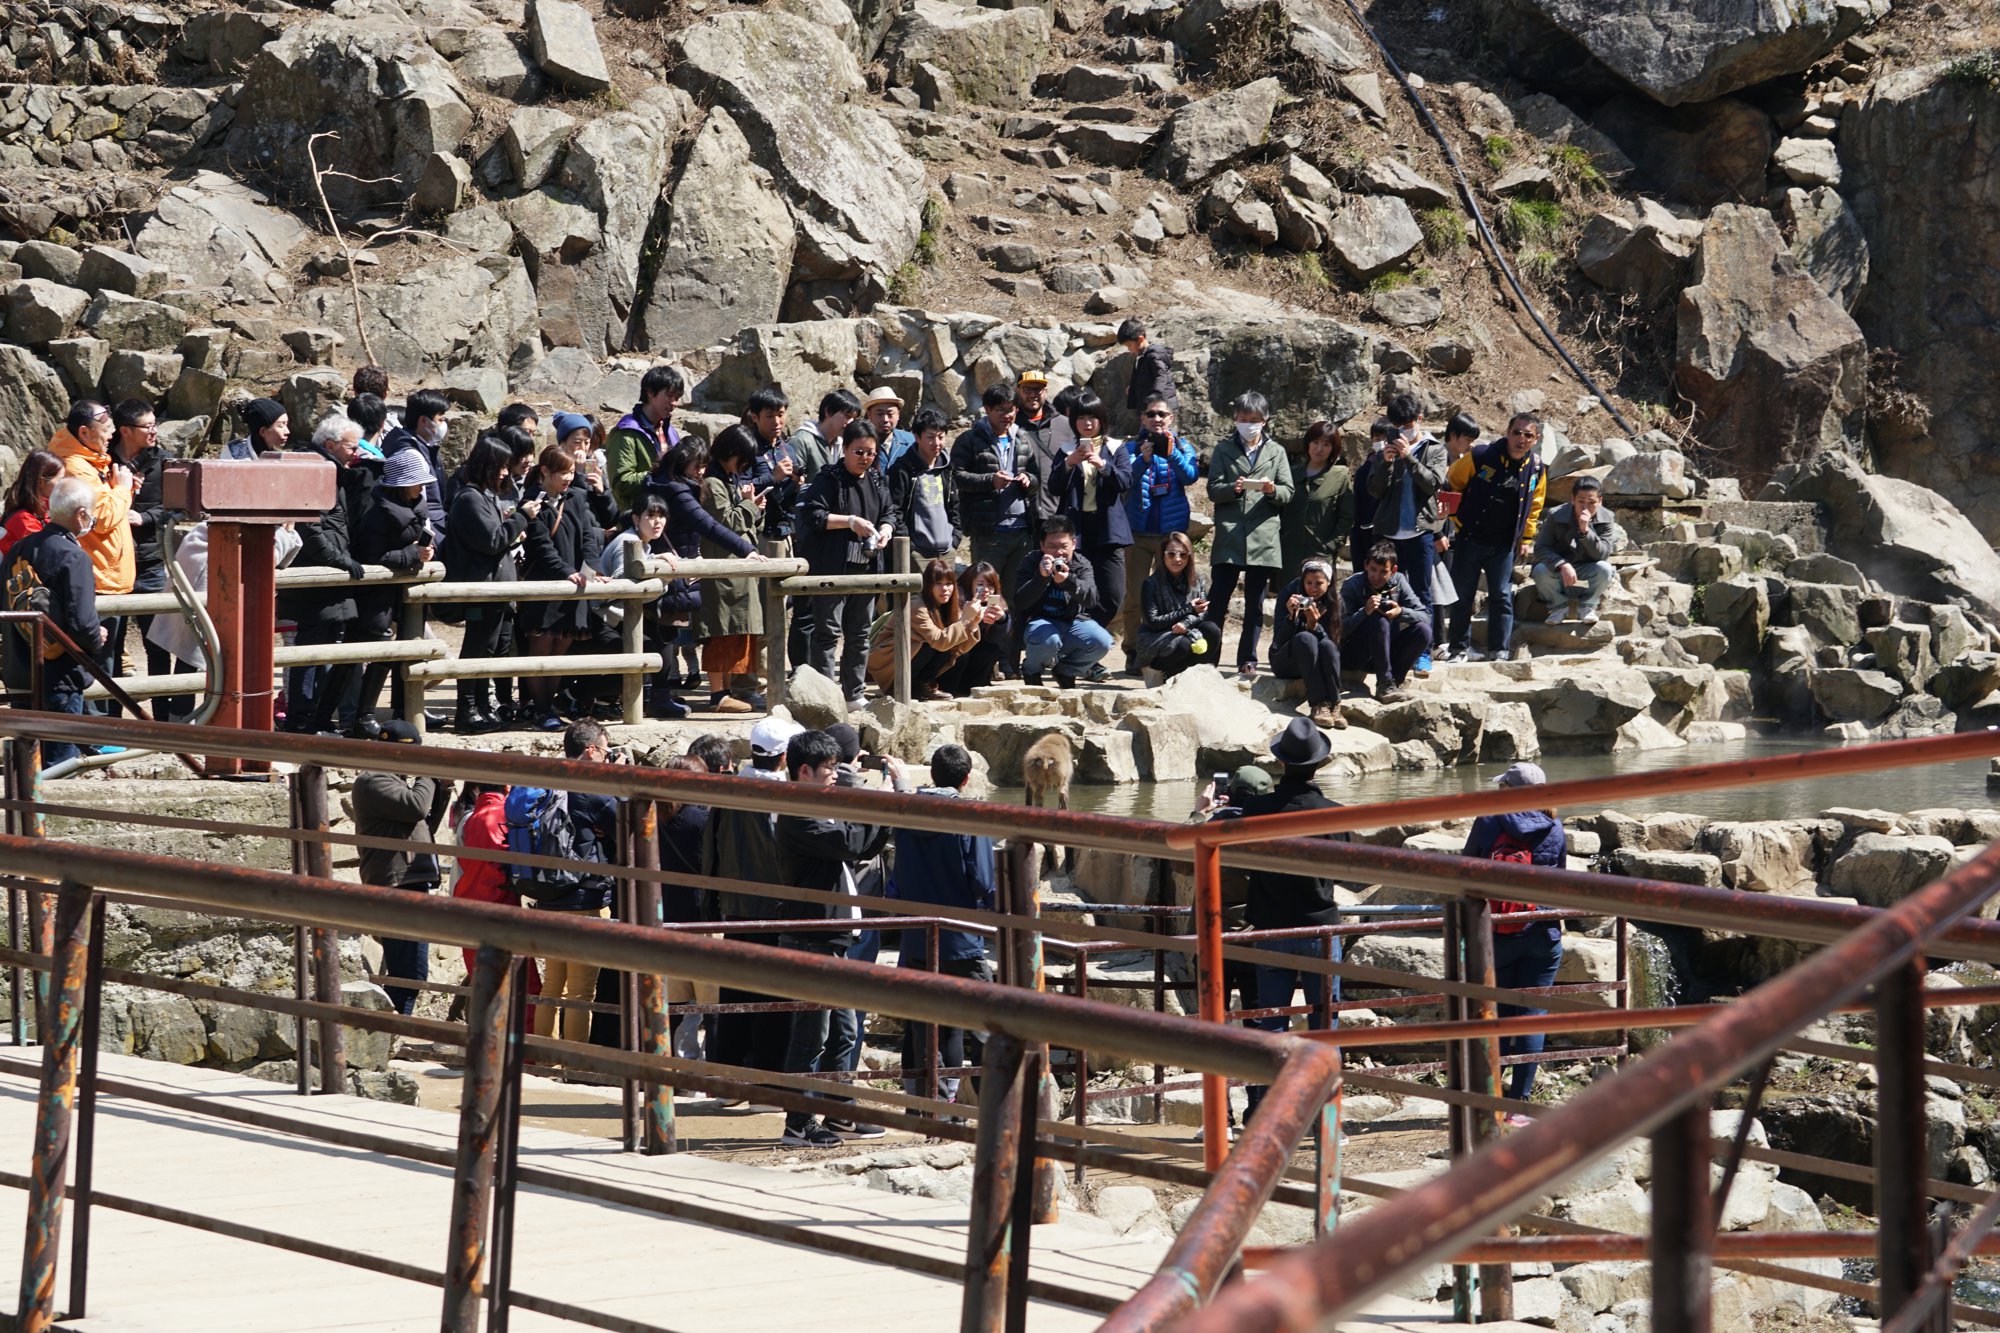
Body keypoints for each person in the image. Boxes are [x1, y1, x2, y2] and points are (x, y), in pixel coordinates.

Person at [774, 728, 897, 1147]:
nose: (835, 774)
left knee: (844, 1032)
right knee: (811, 1035)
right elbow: (849, 843)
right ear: (804, 770)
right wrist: (882, 801)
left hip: (835, 936)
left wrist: (884, 808)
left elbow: (861, 844)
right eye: (828, 768)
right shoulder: (797, 813)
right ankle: (798, 1123)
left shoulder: (818, 805)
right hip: (813, 937)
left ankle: (838, 1113)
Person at [1230, 717, 1347, 1120]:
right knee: (1324, 1024)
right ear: (1320, 763)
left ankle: (1269, 1116)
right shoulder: (1334, 813)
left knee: (1271, 1027)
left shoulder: (1258, 809)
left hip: (1272, 928)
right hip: (1321, 927)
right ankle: (1325, 1117)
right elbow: (1350, 873)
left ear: (1279, 763)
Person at [890, 743, 994, 1104]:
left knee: (921, 1021)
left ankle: (922, 1100)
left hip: (916, 937)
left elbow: (896, 879)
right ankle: (989, 1103)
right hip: (960, 936)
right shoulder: (969, 817)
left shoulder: (906, 815)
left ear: (932, 775)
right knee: (984, 1020)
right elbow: (983, 879)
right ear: (966, 780)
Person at [1462, 761, 1567, 1118]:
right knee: (1532, 1015)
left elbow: (1467, 867)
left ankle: (1491, 1095)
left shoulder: (1489, 822)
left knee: (1497, 1013)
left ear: (1508, 790)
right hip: (1543, 930)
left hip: (1498, 931)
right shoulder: (1554, 825)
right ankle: (1519, 1106)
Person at [701, 715, 801, 1081]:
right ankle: (767, 1079)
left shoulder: (730, 789)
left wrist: (710, 901)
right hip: (773, 910)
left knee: (735, 996)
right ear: (785, 756)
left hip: (734, 906)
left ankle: (729, 1077)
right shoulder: (781, 796)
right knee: (773, 1001)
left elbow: (711, 848)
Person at [530, 721, 622, 1046]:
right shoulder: (592, 787)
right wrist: (618, 778)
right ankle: (574, 1063)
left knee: (552, 986)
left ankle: (546, 1059)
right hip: (585, 900)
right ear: (591, 750)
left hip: (549, 894)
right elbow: (627, 824)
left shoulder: (549, 781)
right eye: (607, 752)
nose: (608, 759)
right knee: (581, 992)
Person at [353, 719, 451, 1015]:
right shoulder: (374, 780)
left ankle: (390, 1031)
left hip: (410, 881)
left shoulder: (394, 779)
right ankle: (392, 1030)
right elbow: (416, 807)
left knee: (408, 970)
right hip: (397, 884)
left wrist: (440, 789)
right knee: (409, 972)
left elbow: (423, 823)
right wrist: (427, 774)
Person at [281, 414, 369, 737]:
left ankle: (314, 719)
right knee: (310, 652)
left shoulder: (334, 472)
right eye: (351, 446)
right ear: (330, 445)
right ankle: (301, 720)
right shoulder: (316, 472)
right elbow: (311, 528)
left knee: (325, 651)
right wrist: (340, 561)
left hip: (328, 579)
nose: (355, 453)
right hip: (315, 580)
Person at [6, 478, 103, 767]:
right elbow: (83, 623)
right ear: (81, 514)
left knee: (26, 766)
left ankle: (23, 812)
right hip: (59, 677)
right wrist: (97, 638)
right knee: (60, 766)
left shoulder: (18, 549)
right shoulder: (74, 558)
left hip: (19, 671)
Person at [797, 421, 894, 709]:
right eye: (859, 451)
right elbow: (813, 516)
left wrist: (886, 529)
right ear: (845, 449)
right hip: (832, 566)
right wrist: (849, 522)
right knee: (827, 632)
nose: (865, 458)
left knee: (860, 633)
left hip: (866, 568)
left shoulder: (877, 480)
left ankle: (854, 693)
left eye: (870, 452)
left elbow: (890, 511)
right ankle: (825, 694)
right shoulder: (829, 478)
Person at [1442, 413, 1547, 662]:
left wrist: (1526, 539)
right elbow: (1452, 482)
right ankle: (1458, 649)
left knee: (1501, 596)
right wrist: (1457, 520)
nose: (1521, 438)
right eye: (1517, 432)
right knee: (1463, 595)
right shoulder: (1480, 456)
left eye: (1528, 435)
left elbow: (1535, 506)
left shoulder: (1537, 468)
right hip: (1470, 538)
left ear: (1536, 439)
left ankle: (1499, 650)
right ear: (1507, 432)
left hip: (1504, 544)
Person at [517, 444, 608, 728]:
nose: (569, 478)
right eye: (563, 473)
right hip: (544, 587)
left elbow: (587, 539)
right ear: (545, 471)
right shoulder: (532, 502)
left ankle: (549, 707)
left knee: (559, 652)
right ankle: (541, 709)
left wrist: (590, 571)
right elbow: (541, 548)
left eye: (571, 472)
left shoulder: (576, 499)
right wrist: (567, 572)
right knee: (540, 650)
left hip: (575, 587)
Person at [442, 435, 529, 733]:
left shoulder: (483, 496)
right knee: (477, 649)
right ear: (487, 465)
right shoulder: (469, 499)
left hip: (494, 590)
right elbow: (492, 541)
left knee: (490, 650)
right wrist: (521, 519)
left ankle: (481, 707)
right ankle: (466, 711)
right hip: (481, 591)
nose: (506, 473)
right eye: (501, 467)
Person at [350, 445, 439, 733]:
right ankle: (363, 715)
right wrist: (413, 555)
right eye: (417, 482)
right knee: (383, 653)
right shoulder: (377, 514)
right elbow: (371, 556)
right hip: (378, 596)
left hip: (405, 593)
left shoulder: (415, 506)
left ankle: (407, 709)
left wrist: (424, 551)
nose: (422, 487)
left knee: (408, 648)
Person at [1205, 392, 1292, 681]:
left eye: (1254, 420)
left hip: (1262, 537)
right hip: (1230, 535)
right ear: (1235, 419)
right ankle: (1209, 658)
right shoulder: (1223, 449)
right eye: (1243, 420)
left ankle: (1247, 661)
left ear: (1265, 420)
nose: (1248, 425)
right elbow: (1213, 489)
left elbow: (1287, 492)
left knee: (1254, 605)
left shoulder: (1276, 452)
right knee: (1217, 601)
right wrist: (1235, 488)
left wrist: (1271, 490)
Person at [48, 400, 136, 687]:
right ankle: (97, 729)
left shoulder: (91, 461)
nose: (112, 435)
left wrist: (118, 489)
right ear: (84, 433)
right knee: (97, 670)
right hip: (99, 578)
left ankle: (109, 727)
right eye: (106, 429)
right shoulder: (76, 467)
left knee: (107, 667)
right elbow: (102, 517)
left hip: (109, 577)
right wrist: (122, 490)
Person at [1046, 391, 1131, 672]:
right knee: (1077, 593)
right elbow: (1054, 488)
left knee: (1113, 595)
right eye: (1081, 417)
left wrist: (1103, 465)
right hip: (1078, 533)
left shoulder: (1117, 448)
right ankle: (1085, 656)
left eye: (1092, 417)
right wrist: (1069, 463)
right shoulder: (1067, 449)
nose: (1087, 423)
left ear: (1101, 419)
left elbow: (1124, 482)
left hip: (1108, 532)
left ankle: (1084, 646)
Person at [597, 492, 695, 719]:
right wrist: (656, 564)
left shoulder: (644, 544)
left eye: (662, 516)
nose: (657, 521)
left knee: (659, 638)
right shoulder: (628, 542)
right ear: (635, 518)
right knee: (647, 652)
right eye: (650, 516)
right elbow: (623, 578)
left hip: (618, 616)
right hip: (604, 618)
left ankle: (652, 699)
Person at [953, 382, 1037, 643]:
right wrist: (989, 480)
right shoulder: (969, 440)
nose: (1007, 415)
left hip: (1021, 530)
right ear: (987, 410)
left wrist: (1028, 481)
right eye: (1000, 410)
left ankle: (1007, 659)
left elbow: (1037, 476)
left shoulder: (1023, 438)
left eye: (1011, 409)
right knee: (985, 597)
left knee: (1014, 598)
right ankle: (983, 656)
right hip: (989, 531)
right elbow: (956, 476)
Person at [691, 432, 768, 714]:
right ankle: (717, 695)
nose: (745, 465)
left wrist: (751, 505)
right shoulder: (712, 483)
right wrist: (750, 505)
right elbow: (728, 521)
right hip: (722, 572)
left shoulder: (725, 480)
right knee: (720, 631)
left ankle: (725, 692)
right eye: (742, 458)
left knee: (733, 631)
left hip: (737, 572)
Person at [1117, 396, 1199, 659]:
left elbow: (1190, 476)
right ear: (1142, 418)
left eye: (1162, 414)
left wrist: (1171, 452)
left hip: (1171, 536)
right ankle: (1133, 650)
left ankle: (1164, 650)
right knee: (1135, 597)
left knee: (1171, 596)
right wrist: (1143, 458)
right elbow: (1124, 480)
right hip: (1137, 532)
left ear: (1170, 418)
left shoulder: (1183, 446)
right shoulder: (1130, 447)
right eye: (1151, 414)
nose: (1156, 419)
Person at [1365, 395, 1447, 636]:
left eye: (1407, 426)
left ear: (1419, 419)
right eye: (1397, 427)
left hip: (1420, 531)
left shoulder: (1434, 449)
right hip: (1388, 533)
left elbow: (1432, 484)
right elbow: (1375, 490)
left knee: (1421, 591)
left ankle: (1422, 648)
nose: (1402, 432)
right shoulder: (1383, 451)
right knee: (1383, 590)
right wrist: (1387, 463)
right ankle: (1384, 644)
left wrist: (1408, 457)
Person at [867, 557, 989, 699]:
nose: (945, 589)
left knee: (954, 644)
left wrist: (973, 625)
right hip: (890, 667)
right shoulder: (916, 605)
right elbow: (939, 641)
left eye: (949, 584)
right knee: (929, 643)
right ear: (928, 585)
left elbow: (959, 649)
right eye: (938, 583)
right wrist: (965, 619)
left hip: (913, 662)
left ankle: (922, 685)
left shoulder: (950, 606)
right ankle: (907, 687)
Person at [1013, 514, 1110, 688]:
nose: (1058, 552)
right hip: (1039, 622)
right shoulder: (1031, 561)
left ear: (1074, 543)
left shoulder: (1081, 564)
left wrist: (1068, 582)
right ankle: (1031, 671)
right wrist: (1040, 578)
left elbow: (1092, 600)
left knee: (1102, 642)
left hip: (1073, 622)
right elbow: (1020, 602)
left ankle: (1066, 671)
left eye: (1064, 546)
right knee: (1048, 639)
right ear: (1042, 545)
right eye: (1052, 546)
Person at [111, 400, 169, 681]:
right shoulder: (102, 460)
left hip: (150, 564)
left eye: (154, 424)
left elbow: (176, 506)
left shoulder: (163, 459)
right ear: (125, 430)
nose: (154, 431)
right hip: (111, 564)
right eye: (147, 426)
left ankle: (161, 718)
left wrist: (145, 519)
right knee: (111, 644)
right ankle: (111, 720)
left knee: (157, 644)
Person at [1339, 541, 1430, 702]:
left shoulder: (1399, 581)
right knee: (1378, 620)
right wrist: (1364, 612)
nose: (1377, 576)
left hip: (1385, 650)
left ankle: (1393, 683)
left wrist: (1400, 612)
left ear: (1393, 570)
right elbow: (1340, 630)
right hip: (1355, 653)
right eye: (1373, 570)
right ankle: (1384, 684)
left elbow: (1425, 616)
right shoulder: (1352, 585)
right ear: (1366, 565)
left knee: (1423, 631)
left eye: (1383, 572)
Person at [1271, 557, 1347, 730]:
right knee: (1305, 638)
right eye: (1308, 582)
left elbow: (1333, 644)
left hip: (1316, 660)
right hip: (1286, 660)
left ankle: (1335, 704)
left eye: (1318, 583)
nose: (1313, 588)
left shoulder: (1334, 601)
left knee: (1327, 645)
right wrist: (1291, 618)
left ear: (1328, 583)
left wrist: (1314, 626)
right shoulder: (1289, 594)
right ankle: (1319, 703)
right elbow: (1278, 642)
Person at [1532, 475, 1619, 625]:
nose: (1585, 507)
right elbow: (1540, 547)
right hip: (1559, 568)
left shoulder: (1606, 518)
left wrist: (1586, 531)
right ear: (1573, 499)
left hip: (1587, 566)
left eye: (1591, 502)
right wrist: (1562, 564)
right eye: (1581, 502)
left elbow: (1603, 553)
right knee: (1540, 570)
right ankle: (1559, 607)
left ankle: (1587, 607)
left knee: (1605, 569)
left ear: (1600, 501)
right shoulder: (1556, 515)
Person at [1133, 532, 1217, 681]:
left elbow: (1203, 612)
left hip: (1187, 631)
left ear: (1189, 557)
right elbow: (1152, 622)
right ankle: (1161, 674)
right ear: (1163, 555)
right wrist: (1187, 610)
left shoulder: (1198, 580)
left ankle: (1192, 678)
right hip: (1156, 638)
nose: (1177, 559)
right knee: (1185, 644)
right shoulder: (1150, 584)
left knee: (1212, 630)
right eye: (1171, 554)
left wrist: (1185, 623)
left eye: (1183, 555)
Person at [607, 366, 685, 513]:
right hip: (638, 518)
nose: (674, 403)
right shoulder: (626, 433)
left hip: (666, 516)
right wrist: (658, 476)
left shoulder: (670, 431)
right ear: (650, 392)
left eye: (677, 398)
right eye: (669, 395)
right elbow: (620, 482)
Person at [887, 407, 960, 562]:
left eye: (941, 437)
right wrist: (909, 545)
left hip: (947, 551)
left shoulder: (948, 467)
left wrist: (955, 539)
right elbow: (895, 509)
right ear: (917, 437)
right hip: (917, 553)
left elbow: (955, 506)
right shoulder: (903, 469)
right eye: (930, 437)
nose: (937, 443)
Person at [1281, 420, 1354, 576]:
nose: (1319, 449)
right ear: (1308, 443)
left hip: (1320, 556)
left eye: (1326, 445)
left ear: (1333, 449)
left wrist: (1330, 546)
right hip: (1289, 554)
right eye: (1315, 442)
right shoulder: (1291, 474)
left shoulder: (1339, 476)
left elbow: (1347, 517)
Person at [380, 388, 451, 539]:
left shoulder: (407, 440)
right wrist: (426, 541)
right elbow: (419, 503)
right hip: (429, 533)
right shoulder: (412, 455)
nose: (443, 425)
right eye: (440, 419)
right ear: (423, 420)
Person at [1013, 370, 1064, 528]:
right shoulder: (1009, 426)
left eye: (1038, 389)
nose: (1033, 394)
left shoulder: (1065, 425)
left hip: (1058, 515)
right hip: (1020, 517)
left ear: (1046, 392)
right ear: (1017, 391)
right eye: (1027, 389)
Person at [951, 563, 1010, 693]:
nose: (986, 589)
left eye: (990, 585)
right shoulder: (956, 597)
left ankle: (977, 687)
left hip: (977, 651)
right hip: (953, 649)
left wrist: (1001, 621)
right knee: (962, 654)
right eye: (980, 584)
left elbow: (996, 640)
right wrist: (975, 620)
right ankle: (952, 689)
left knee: (990, 650)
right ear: (969, 583)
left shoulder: (997, 603)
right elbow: (953, 635)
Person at [1348, 418, 1394, 577]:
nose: (1380, 442)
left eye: (1385, 439)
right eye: (1376, 438)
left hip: (1390, 534)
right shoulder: (1363, 470)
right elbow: (1358, 506)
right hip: (1366, 532)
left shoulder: (1399, 467)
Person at [788, 389, 862, 486]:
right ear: (828, 411)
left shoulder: (842, 444)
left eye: (854, 419)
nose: (851, 423)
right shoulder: (801, 441)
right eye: (847, 416)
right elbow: (791, 485)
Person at [0, 449, 61, 557]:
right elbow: (47, 554)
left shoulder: (37, 510)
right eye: (59, 480)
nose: (63, 485)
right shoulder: (24, 520)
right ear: (41, 482)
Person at [1117, 317, 1177, 418]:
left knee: (1161, 432)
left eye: (1129, 345)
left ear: (1140, 339)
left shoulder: (1153, 355)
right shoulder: (1142, 356)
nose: (1129, 349)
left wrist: (1155, 395)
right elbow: (1143, 376)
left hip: (1161, 408)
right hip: (1149, 407)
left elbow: (1161, 376)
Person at [861, 386, 915, 472]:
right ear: (869, 415)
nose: (885, 419)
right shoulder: (860, 444)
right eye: (880, 414)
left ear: (898, 415)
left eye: (890, 414)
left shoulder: (911, 442)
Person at [223, 396, 288, 460]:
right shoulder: (234, 458)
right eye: (281, 426)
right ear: (262, 431)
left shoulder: (288, 458)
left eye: (286, 424)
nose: (287, 431)